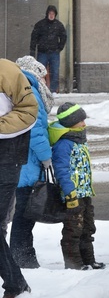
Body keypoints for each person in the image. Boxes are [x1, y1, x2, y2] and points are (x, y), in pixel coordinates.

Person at [49, 103, 104, 270]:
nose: (84, 124)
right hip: (72, 194)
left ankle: (88, 260)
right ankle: (74, 264)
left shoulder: (79, 139)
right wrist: (69, 192)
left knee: (87, 227)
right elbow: (61, 169)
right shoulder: (64, 143)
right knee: (73, 229)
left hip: (85, 192)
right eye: (81, 121)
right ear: (70, 122)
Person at [9, 57, 53, 268]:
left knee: (23, 214)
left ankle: (23, 256)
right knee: (24, 216)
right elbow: (35, 131)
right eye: (43, 76)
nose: (45, 80)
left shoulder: (17, 88)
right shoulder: (31, 92)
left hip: (19, 159)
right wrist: (46, 157)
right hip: (27, 161)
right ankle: (22, 258)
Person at [0, 59, 36, 298]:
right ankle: (15, 282)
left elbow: (29, 111)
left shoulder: (7, 70)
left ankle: (16, 283)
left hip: (6, 159)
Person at [29, 5, 67, 93]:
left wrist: (60, 48)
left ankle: (53, 91)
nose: (51, 15)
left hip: (54, 53)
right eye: (50, 13)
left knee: (55, 72)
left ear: (55, 14)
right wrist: (32, 50)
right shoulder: (40, 25)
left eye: (53, 13)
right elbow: (34, 37)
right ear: (47, 14)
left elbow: (64, 36)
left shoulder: (58, 25)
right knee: (40, 72)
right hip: (42, 52)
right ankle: (40, 90)